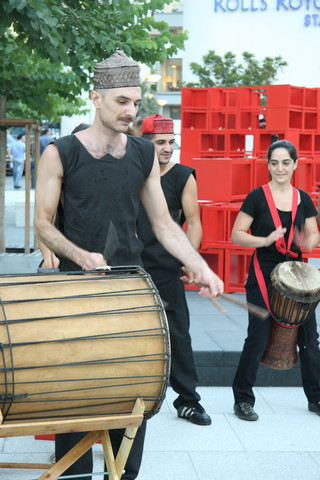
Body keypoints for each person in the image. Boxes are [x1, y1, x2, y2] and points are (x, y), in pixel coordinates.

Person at [34, 50, 224, 480]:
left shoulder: (142, 153)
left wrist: (202, 267)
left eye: (136, 102)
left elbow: (165, 224)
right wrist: (79, 255)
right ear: (96, 98)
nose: (131, 110)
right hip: (76, 292)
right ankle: (76, 472)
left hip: (130, 290)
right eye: (122, 101)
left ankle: (122, 475)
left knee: (131, 390)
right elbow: (42, 224)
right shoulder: (60, 153)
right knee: (77, 392)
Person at [231, 139, 320, 421]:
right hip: (263, 275)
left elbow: (314, 235)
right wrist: (265, 239)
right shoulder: (257, 197)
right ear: (268, 164)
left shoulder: (303, 199)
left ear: (295, 164)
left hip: (296, 278)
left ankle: (316, 398)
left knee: (310, 340)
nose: (279, 168)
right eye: (274, 162)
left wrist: (307, 240)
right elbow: (237, 234)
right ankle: (243, 399)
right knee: (257, 338)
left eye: (285, 162)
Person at [136, 114, 211, 426]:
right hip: (134, 267)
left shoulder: (183, 175)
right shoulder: (135, 173)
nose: (167, 148)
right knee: (135, 333)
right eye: (160, 143)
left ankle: (188, 401)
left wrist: (190, 259)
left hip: (167, 266)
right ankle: (131, 397)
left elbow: (193, 222)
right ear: (146, 144)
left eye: (171, 142)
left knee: (178, 333)